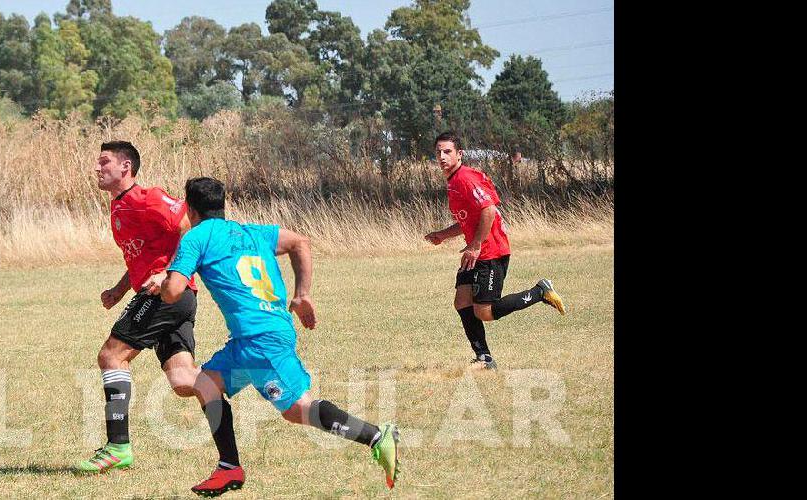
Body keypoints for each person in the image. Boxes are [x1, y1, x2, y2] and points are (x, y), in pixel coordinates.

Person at [159, 177, 400, 497]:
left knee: (298, 409)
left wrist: (161, 282)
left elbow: (174, 291)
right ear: (222, 204)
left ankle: (376, 436)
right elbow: (300, 242)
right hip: (253, 338)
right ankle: (229, 468)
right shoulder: (252, 232)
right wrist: (301, 295)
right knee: (206, 383)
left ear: (189, 208)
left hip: (260, 340)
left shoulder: (196, 237)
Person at [75, 141, 201, 473]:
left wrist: (168, 274)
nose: (97, 168)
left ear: (126, 167)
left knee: (111, 356)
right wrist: (119, 289)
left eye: (104, 162)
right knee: (184, 381)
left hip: (166, 295)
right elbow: (144, 255)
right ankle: (241, 374)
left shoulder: (148, 199)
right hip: (175, 297)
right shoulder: (120, 207)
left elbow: (191, 226)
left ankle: (118, 448)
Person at [425, 132, 566, 370]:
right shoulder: (453, 181)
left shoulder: (465, 179)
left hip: (490, 252)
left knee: (485, 312)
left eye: (447, 151)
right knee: (462, 301)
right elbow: (467, 221)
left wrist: (476, 245)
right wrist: (442, 235)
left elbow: (488, 210)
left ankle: (540, 292)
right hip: (476, 251)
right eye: (438, 152)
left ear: (459, 154)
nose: (441, 156)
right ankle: (484, 358)